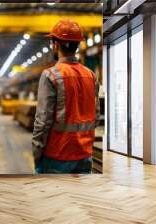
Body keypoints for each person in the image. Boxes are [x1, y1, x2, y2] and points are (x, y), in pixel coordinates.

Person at [32, 19, 100, 174]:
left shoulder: (50, 75)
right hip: (84, 155)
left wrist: (36, 153)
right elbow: (95, 117)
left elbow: (42, 122)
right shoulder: (91, 76)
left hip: (56, 156)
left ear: (55, 45)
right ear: (78, 45)